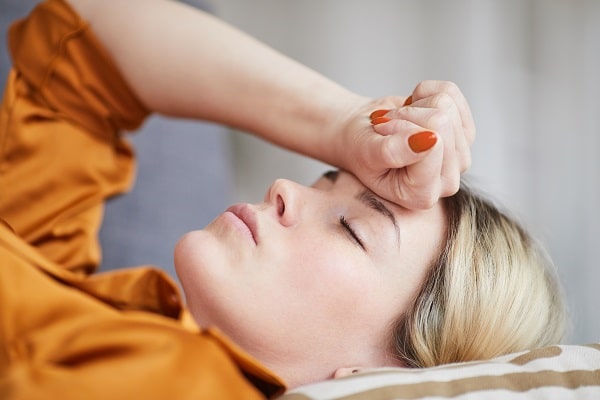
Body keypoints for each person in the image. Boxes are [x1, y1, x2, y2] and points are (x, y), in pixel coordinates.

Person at [0, 0, 566, 399]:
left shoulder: (179, 384)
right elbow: (86, 41)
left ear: (369, 379)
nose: (283, 189)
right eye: (325, 180)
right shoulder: (88, 311)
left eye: (351, 228)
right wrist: (344, 123)